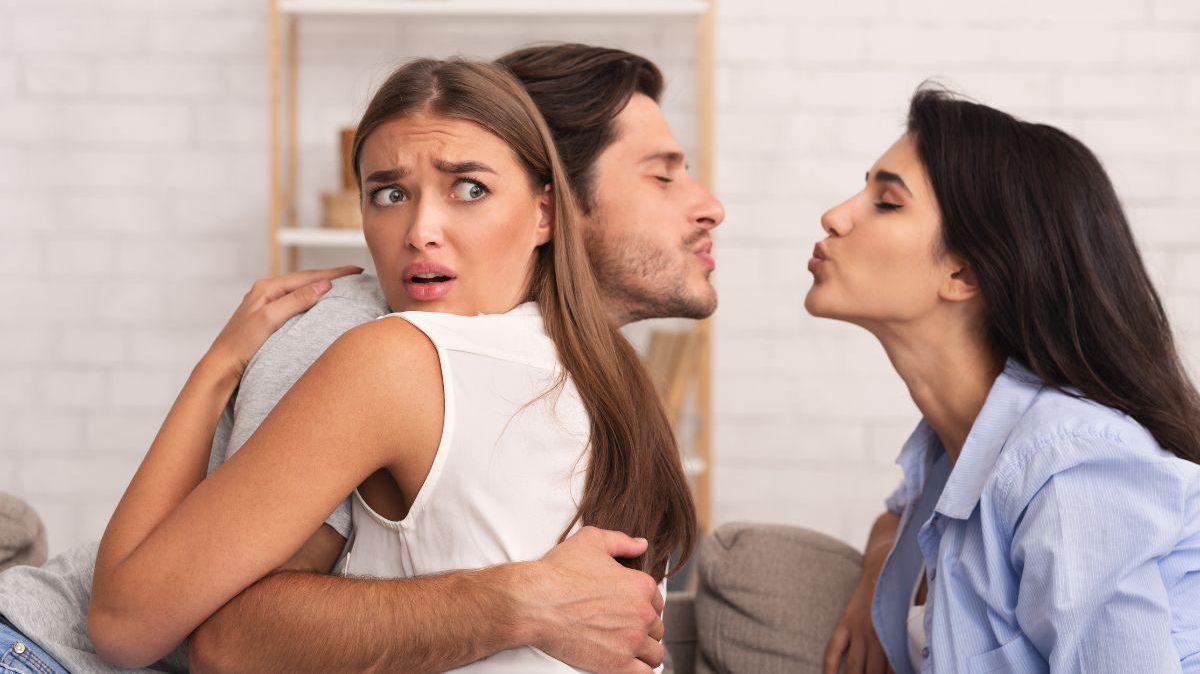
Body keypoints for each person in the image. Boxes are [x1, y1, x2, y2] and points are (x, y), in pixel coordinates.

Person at [0, 45, 722, 674]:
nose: (421, 230)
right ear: (560, 200)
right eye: (661, 175)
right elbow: (186, 629)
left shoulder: (589, 375)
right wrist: (217, 367)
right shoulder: (368, 335)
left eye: (467, 188)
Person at [815, 87, 1200, 674]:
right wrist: (877, 576)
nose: (835, 215)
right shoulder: (954, 444)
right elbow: (897, 516)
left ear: (963, 271)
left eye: (886, 202)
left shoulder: (1070, 467)